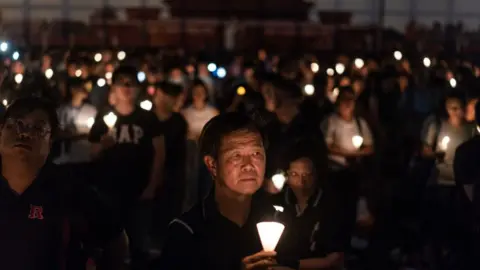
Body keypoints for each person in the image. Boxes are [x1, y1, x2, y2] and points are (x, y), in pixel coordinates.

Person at [156, 112, 299, 270]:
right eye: (236, 155)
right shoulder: (187, 232)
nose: (249, 165)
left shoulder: (279, 222)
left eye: (256, 153)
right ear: (212, 165)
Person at [0, 97, 125, 269]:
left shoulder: (69, 189)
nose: (24, 133)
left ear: (50, 142)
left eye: (38, 128)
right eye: (16, 124)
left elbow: (115, 239)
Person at [88, 65, 165, 269]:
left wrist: (152, 185)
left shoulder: (147, 118)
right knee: (110, 243)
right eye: (122, 83)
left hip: (139, 189)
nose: (127, 87)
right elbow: (92, 153)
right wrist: (104, 145)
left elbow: (160, 152)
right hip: (110, 190)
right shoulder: (104, 117)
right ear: (114, 88)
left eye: (131, 83)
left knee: (140, 242)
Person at [278, 141, 349, 269]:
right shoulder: (278, 204)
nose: (301, 181)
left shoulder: (331, 206)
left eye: (307, 175)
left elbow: (335, 258)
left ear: (315, 176)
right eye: (295, 174)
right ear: (287, 176)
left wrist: (292, 266)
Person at [152, 81, 188, 241]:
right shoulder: (147, 119)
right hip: (148, 174)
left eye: (170, 97)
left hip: (172, 176)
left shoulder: (179, 122)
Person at [55, 77, 97, 164]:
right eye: (82, 87)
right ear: (72, 89)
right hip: (66, 158)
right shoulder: (61, 110)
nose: (85, 89)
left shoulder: (91, 110)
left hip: (85, 156)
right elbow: (58, 132)